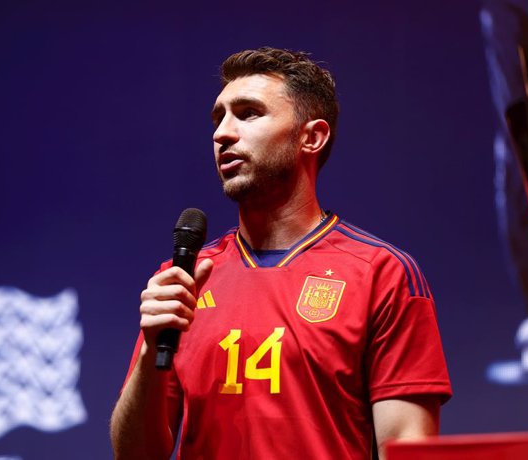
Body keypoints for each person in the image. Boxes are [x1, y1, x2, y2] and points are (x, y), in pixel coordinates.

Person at [110, 47, 452, 460]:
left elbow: (407, 449)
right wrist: (150, 351)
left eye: (248, 113)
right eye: (219, 118)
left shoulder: (382, 273)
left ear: (312, 137)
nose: (222, 133)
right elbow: (134, 455)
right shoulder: (185, 278)